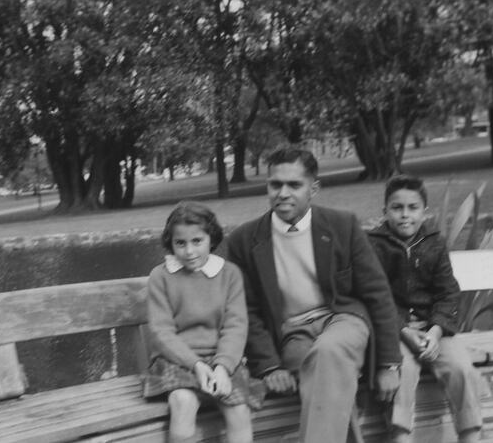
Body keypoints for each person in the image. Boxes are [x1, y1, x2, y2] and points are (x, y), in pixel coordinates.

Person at [226, 147, 402, 443]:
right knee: (322, 373)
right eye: (275, 184)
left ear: (313, 189)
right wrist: (269, 365)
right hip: (291, 333)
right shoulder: (244, 240)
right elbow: (248, 310)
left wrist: (388, 363)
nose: (283, 193)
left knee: (327, 352)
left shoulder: (342, 225)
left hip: (343, 319)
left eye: (294, 185)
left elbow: (377, 294)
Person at [368, 174, 483, 443]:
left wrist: (435, 331)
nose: (405, 215)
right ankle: (400, 437)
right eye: (397, 208)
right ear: (385, 211)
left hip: (434, 329)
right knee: (402, 373)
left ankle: (470, 435)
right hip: (394, 331)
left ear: (424, 212)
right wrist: (403, 330)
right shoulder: (372, 245)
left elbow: (447, 292)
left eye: (413, 208)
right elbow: (376, 297)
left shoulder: (435, 242)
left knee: (461, 369)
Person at [143, 201, 263, 443]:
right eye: (180, 243)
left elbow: (235, 326)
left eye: (197, 241)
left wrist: (222, 367)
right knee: (183, 401)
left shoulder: (229, 274)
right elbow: (161, 331)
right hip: (177, 360)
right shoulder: (161, 277)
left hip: (223, 359)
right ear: (171, 243)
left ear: (212, 238)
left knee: (239, 409)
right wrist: (196, 365)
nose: (189, 251)